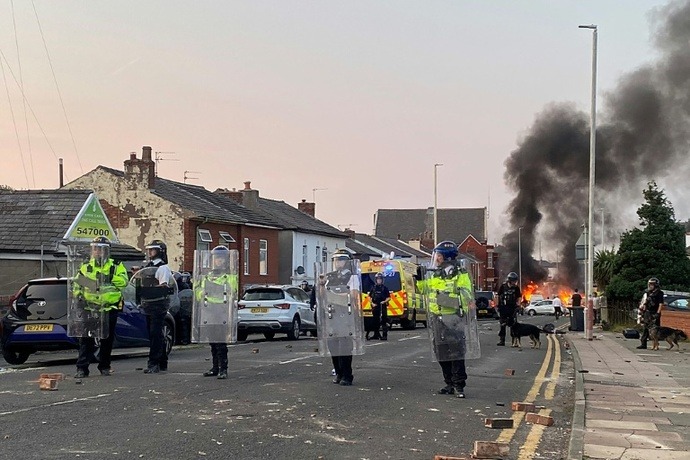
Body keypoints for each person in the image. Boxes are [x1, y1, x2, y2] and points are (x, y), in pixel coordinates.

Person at [419, 241, 474, 399]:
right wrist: (418, 278)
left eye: (439, 256)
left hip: (454, 318)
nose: (436, 259)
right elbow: (425, 289)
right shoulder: (435, 273)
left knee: (456, 352)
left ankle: (458, 385)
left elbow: (466, 296)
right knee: (440, 352)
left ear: (447, 257)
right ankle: (448, 382)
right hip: (437, 318)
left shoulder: (461, 274)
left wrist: (444, 299)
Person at [73, 237, 128, 378]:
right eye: (95, 248)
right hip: (90, 308)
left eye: (100, 248)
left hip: (109, 308)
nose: (97, 251)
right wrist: (78, 297)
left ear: (106, 250)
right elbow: (77, 284)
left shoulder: (115, 266)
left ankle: (104, 366)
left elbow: (123, 282)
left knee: (106, 341)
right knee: (86, 340)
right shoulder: (86, 266)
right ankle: (82, 368)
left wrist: (110, 277)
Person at [319, 249, 361, 386]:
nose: (338, 263)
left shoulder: (352, 277)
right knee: (333, 345)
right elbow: (322, 296)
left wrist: (334, 296)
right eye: (336, 260)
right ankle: (338, 372)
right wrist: (320, 285)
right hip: (331, 314)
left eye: (341, 259)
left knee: (344, 345)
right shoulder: (329, 277)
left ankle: (347, 375)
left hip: (345, 313)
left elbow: (353, 295)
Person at [196, 246, 238, 379]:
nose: (217, 261)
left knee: (220, 341)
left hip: (222, 311)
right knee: (212, 341)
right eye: (215, 259)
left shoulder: (229, 277)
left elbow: (233, 293)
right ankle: (215, 367)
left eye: (220, 259)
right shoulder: (206, 277)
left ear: (225, 260)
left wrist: (217, 290)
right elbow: (198, 293)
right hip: (209, 311)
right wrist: (201, 293)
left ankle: (223, 369)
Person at [140, 239, 173, 374]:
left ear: (160, 252)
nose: (149, 252)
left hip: (158, 303)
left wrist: (150, 288)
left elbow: (163, 285)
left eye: (152, 250)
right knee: (155, 334)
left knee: (155, 334)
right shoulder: (148, 266)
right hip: (149, 303)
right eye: (148, 250)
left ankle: (153, 362)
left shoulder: (162, 267)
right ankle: (162, 361)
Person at [637, 278, 664, 350]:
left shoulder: (660, 293)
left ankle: (656, 344)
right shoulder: (648, 292)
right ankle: (643, 343)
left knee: (655, 329)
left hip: (655, 312)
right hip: (648, 312)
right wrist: (643, 311)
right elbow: (646, 302)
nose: (650, 286)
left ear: (656, 285)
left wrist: (658, 313)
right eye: (649, 284)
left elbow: (660, 304)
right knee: (646, 328)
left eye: (652, 284)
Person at [496, 272, 521, 346]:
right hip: (503, 308)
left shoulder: (516, 288)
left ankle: (514, 341)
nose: (515, 282)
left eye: (515, 281)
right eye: (513, 281)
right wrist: (497, 305)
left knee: (513, 325)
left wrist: (518, 305)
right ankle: (502, 340)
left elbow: (519, 296)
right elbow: (498, 295)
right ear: (509, 280)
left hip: (512, 308)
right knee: (502, 324)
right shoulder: (503, 287)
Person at [366, 272, 391, 340]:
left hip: (382, 306)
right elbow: (369, 296)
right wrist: (372, 303)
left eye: (380, 279)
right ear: (376, 280)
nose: (379, 280)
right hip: (375, 306)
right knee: (375, 321)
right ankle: (376, 334)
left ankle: (384, 335)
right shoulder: (373, 288)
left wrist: (384, 301)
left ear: (382, 280)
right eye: (378, 279)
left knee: (383, 320)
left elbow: (389, 297)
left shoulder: (385, 288)